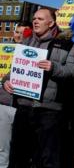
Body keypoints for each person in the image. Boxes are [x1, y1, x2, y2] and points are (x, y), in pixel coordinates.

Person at [3, 9, 74, 168]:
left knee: (48, 159)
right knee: (18, 156)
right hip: (24, 106)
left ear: (51, 23)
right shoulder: (25, 43)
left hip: (49, 111)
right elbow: (13, 70)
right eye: (34, 18)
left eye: (40, 19)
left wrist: (54, 67)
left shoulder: (68, 45)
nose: (35, 21)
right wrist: (6, 81)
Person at [0, 22, 32, 168]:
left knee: (20, 147)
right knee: (2, 147)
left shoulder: (33, 53)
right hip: (4, 103)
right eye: (17, 32)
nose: (19, 35)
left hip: (23, 105)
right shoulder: (3, 50)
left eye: (23, 33)